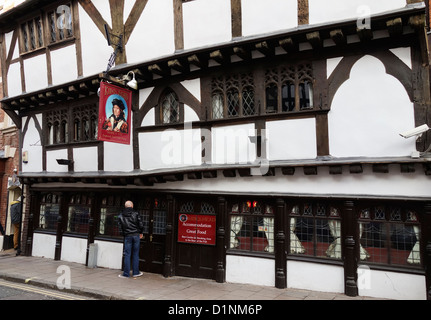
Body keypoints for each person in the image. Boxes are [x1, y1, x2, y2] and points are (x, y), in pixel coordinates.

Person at [117, 200, 144, 278]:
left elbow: (120, 228)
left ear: (125, 206)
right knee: (136, 254)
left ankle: (126, 274)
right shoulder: (136, 213)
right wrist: (141, 232)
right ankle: (136, 272)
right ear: (132, 206)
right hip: (136, 235)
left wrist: (124, 234)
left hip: (127, 236)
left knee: (127, 254)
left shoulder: (121, 215)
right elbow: (141, 224)